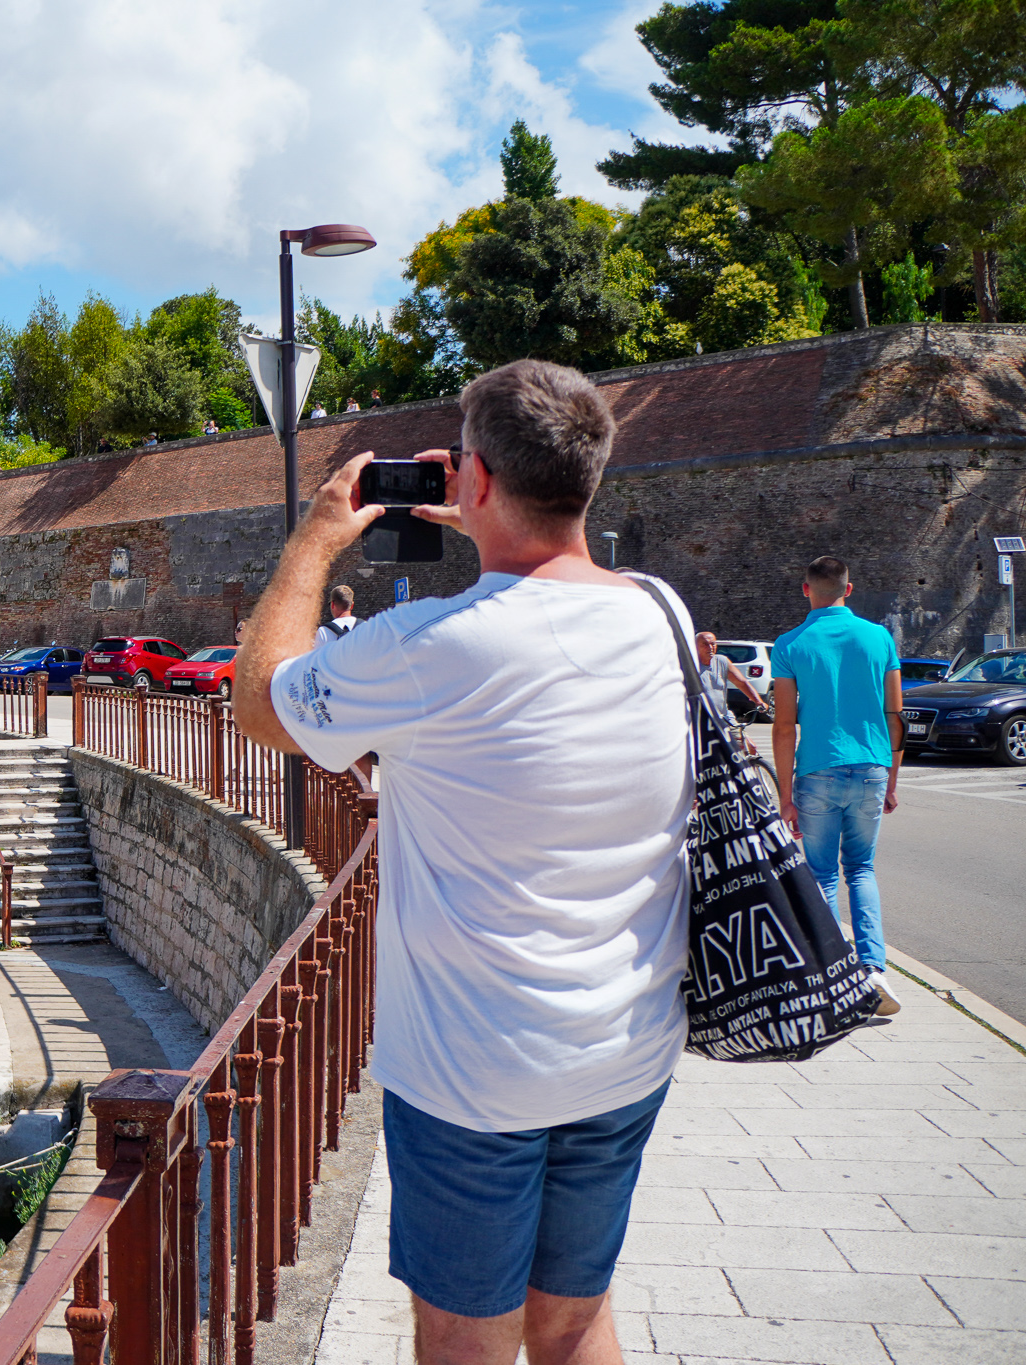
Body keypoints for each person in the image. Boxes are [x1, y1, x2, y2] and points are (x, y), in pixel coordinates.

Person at [236, 358, 694, 1365]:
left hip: (473, 1074)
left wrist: (316, 538)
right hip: (625, 1046)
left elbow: (259, 701)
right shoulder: (660, 615)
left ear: (471, 479)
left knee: (461, 1334)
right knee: (574, 1316)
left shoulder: (424, 647)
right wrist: (492, 517)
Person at [771, 555, 904, 1016]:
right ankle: (873, 968)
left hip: (817, 770)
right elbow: (895, 715)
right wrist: (892, 777)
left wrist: (784, 796)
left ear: (806, 590)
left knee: (824, 874)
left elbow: (784, 726)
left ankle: (833, 972)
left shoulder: (789, 644)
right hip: (871, 765)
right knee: (862, 868)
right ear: (849, 590)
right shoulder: (880, 637)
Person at [695, 631, 765, 728]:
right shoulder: (690, 666)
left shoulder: (722, 661)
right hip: (701, 720)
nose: (710, 648)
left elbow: (741, 683)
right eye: (705, 644)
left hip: (724, 717)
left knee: (744, 741)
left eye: (713, 644)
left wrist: (758, 701)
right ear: (695, 647)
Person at [314, 583, 358, 649]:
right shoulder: (366, 627)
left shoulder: (323, 631)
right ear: (352, 605)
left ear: (332, 605)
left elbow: (318, 658)